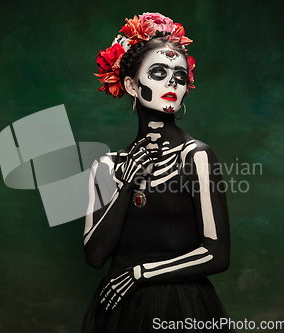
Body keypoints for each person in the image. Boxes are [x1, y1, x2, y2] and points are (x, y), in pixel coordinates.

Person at [82, 13, 235, 333]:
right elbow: (95, 256)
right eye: (159, 72)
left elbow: (217, 255)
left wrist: (141, 274)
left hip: (184, 308)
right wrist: (125, 185)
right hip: (119, 310)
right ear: (131, 85)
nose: (172, 82)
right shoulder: (107, 166)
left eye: (180, 76)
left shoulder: (196, 157)